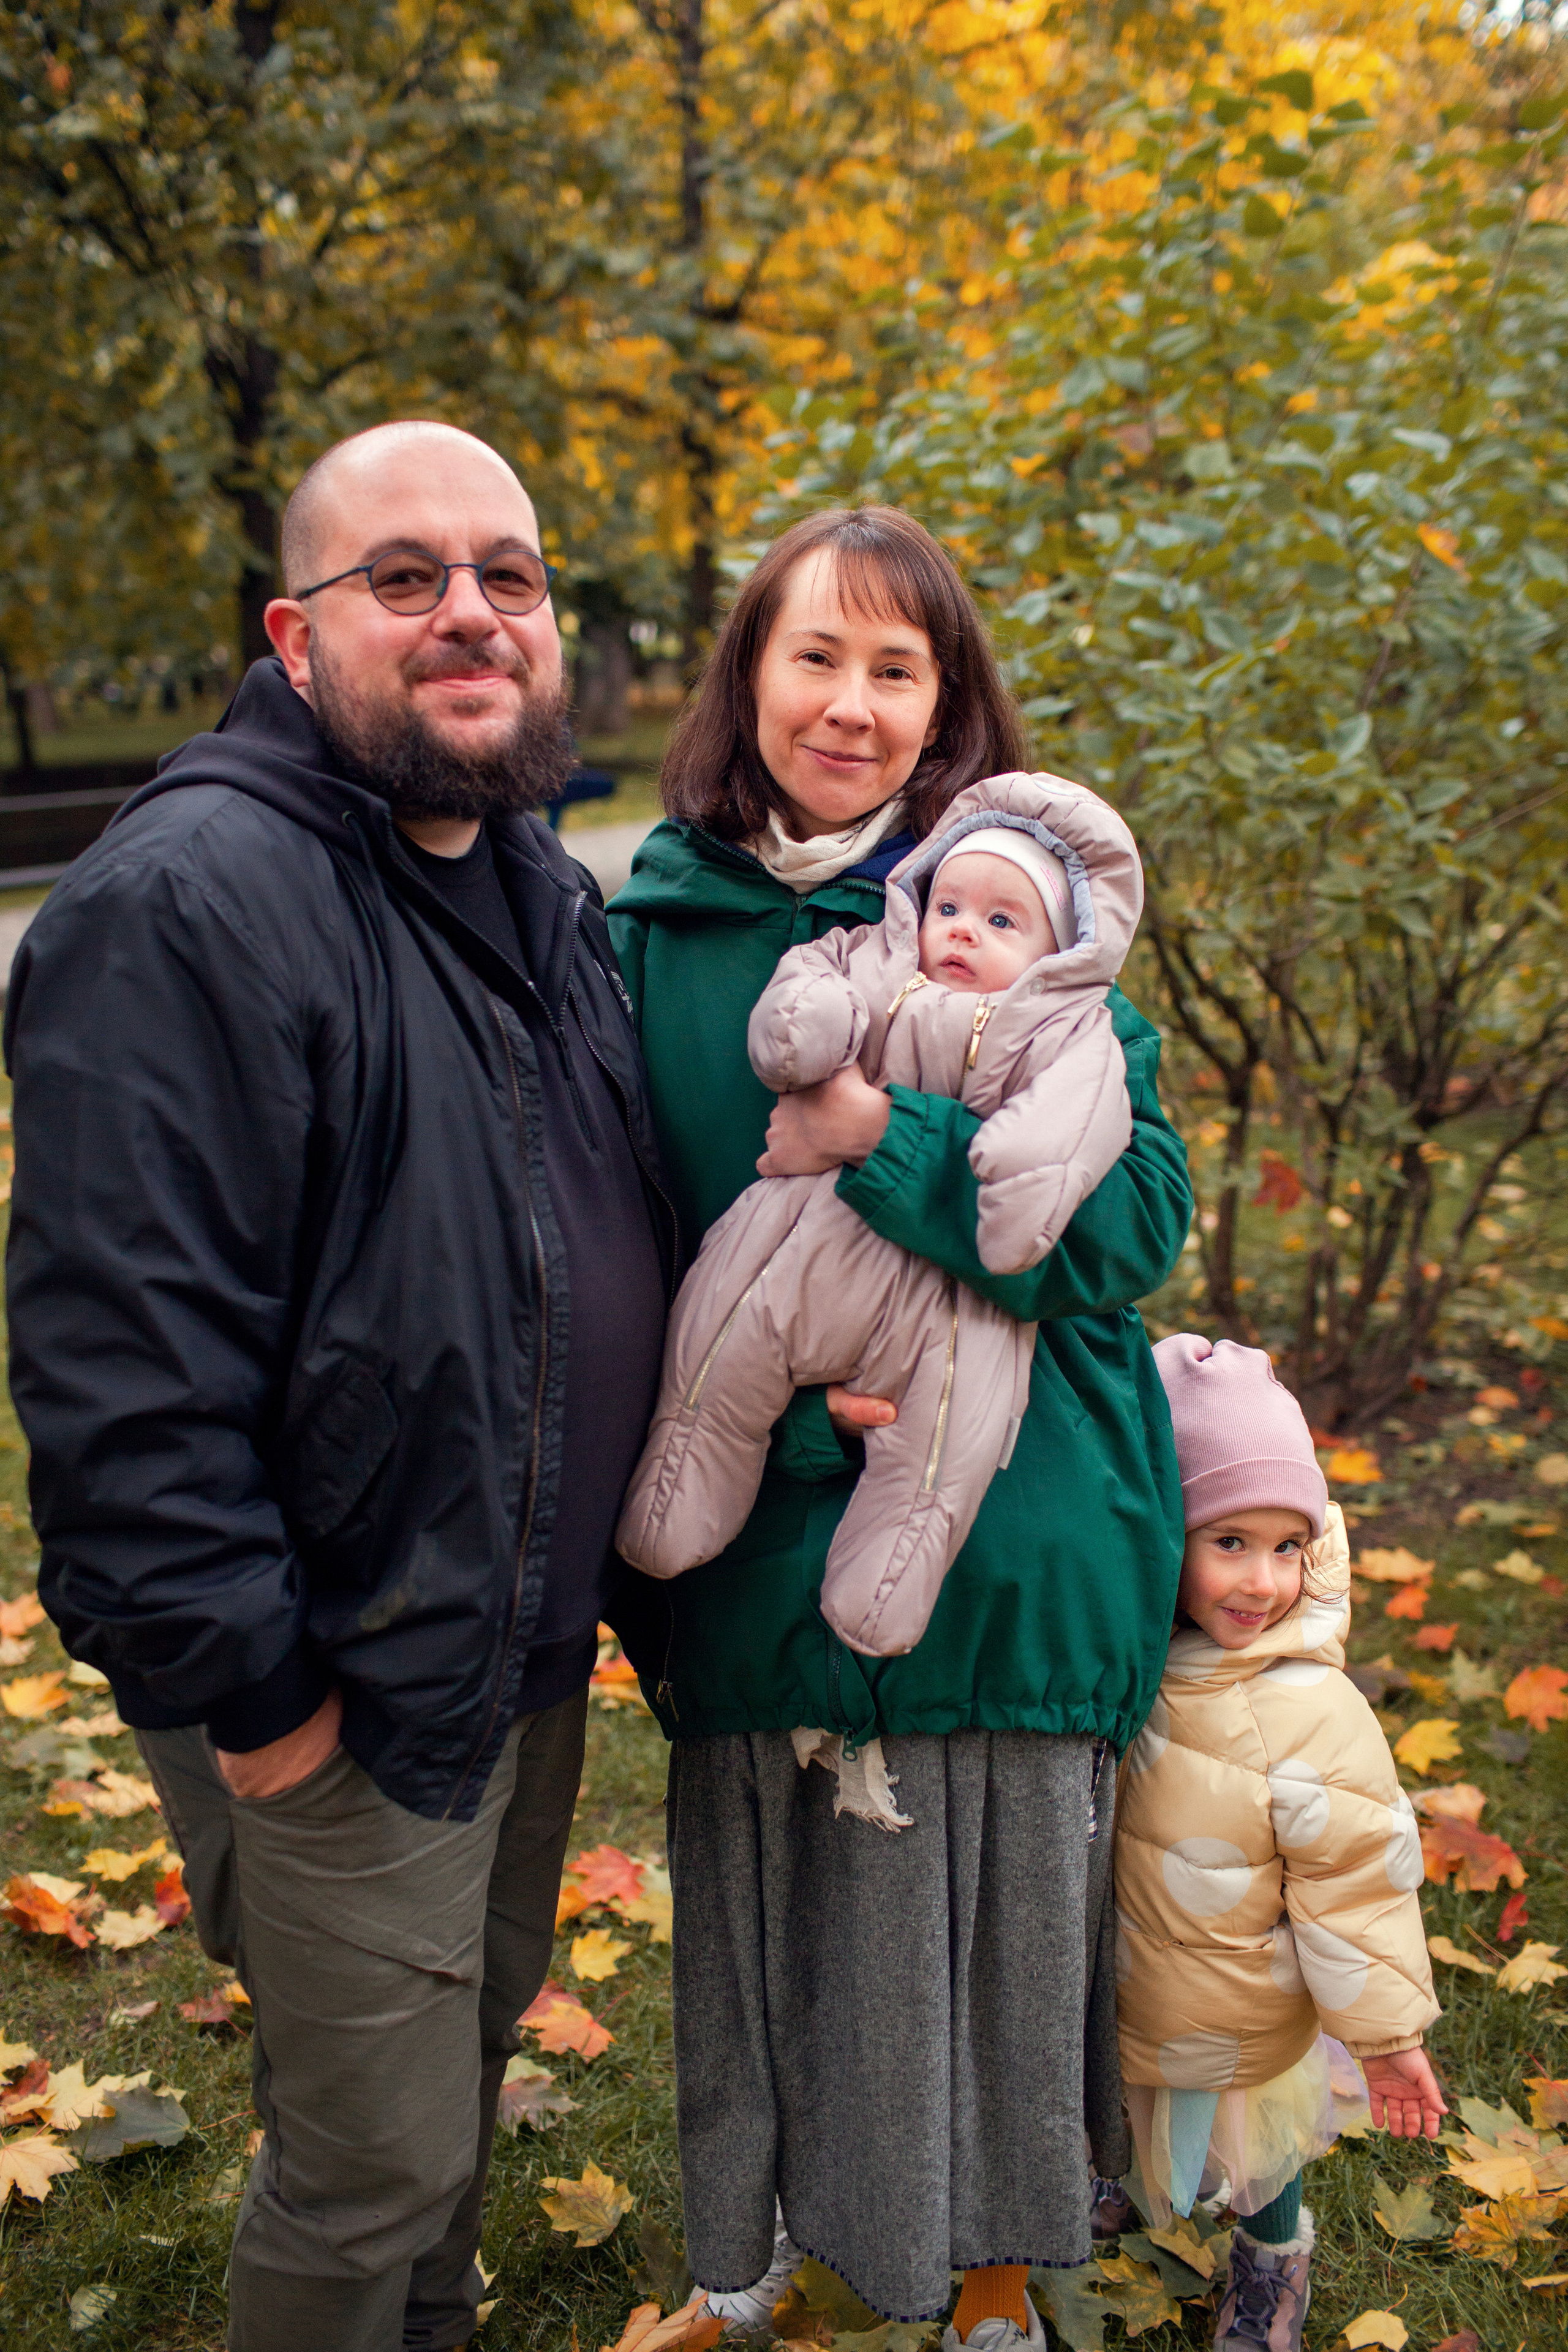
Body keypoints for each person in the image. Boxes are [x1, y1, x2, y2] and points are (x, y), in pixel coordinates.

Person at [4, 420, 673, 2352]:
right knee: (365, 2155)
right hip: (342, 1676)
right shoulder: (188, 905)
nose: (470, 612)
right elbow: (119, 1372)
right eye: (406, 578)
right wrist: (264, 1703)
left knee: (452, 2078)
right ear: (295, 637)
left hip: (509, 1641)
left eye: (510, 576)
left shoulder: (534, 882)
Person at [608, 505, 1193, 2342]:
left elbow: (1126, 1225)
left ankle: (1001, 2276)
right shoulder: (653, 937)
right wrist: (783, 1431)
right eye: (814, 656)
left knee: (995, 1909)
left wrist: (898, 1144)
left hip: (1005, 1501)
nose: (850, 703)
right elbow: (632, 1247)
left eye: (895, 666)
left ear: (947, 701)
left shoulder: (1035, 926)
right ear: (749, 674)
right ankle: (759, 2252)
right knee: (769, 1908)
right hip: (762, 1499)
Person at [618, 771, 1142, 1662]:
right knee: (721, 1341)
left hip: (954, 1300)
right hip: (802, 1243)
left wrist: (916, 1148)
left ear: (1061, 949)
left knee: (945, 1438)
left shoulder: (1069, 1027)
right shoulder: (869, 957)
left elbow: (1077, 1132)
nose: (965, 930)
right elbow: (811, 997)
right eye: (951, 907)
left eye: (1004, 922)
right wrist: (806, 1029)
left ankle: (886, 1587)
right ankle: (676, 1498)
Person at [1112, 1333, 1444, 2352]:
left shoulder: (1307, 1709)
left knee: (1262, 2149)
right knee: (1123, 2124)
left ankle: (1270, 2270)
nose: (1263, 1579)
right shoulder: (1120, 1667)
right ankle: (1117, 2201)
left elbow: (1359, 1887)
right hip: (1122, 1985)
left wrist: (1388, 2041)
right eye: (1228, 1543)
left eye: (1287, 1546)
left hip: (1244, 2005)